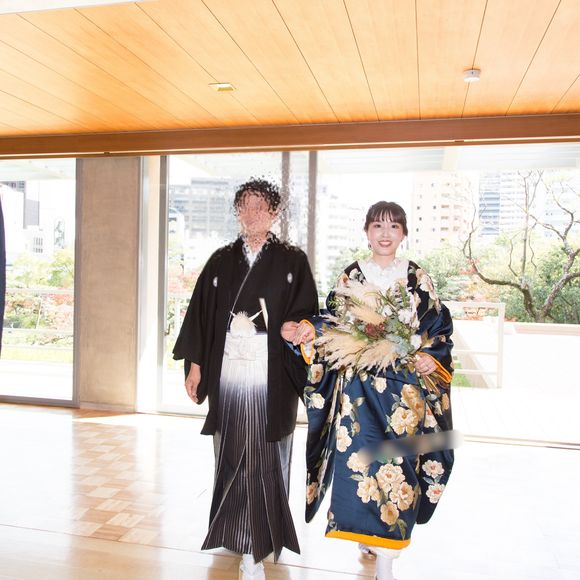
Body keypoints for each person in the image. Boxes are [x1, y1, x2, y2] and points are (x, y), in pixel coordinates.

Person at [282, 201, 454, 580]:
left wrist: (431, 355)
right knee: (363, 465)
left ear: (403, 233)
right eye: (377, 226)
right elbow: (332, 320)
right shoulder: (353, 275)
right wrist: (309, 329)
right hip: (359, 391)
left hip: (403, 391)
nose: (385, 233)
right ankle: (373, 543)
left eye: (393, 226)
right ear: (367, 232)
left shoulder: (416, 277)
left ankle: (387, 557)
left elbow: (439, 326)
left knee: (399, 468)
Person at [173, 178, 318, 580]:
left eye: (260, 207)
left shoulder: (292, 261)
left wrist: (297, 327)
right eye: (245, 206)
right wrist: (197, 365)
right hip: (229, 373)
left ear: (274, 212)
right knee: (232, 450)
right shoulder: (221, 260)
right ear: (237, 211)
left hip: (271, 375)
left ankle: (259, 541)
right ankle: (237, 534)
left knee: (267, 455)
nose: (252, 214)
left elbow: (307, 311)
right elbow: (201, 316)